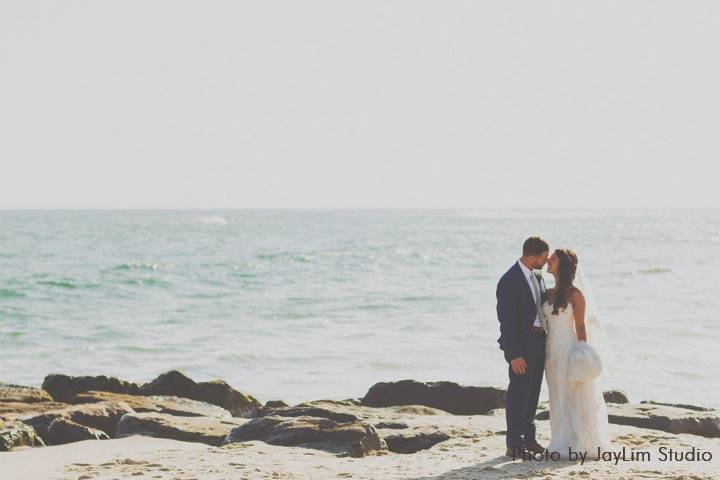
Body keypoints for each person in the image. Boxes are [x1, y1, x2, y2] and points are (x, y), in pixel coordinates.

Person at [496, 236, 549, 457]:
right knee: (518, 393)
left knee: (534, 392)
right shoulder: (509, 281)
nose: (545, 263)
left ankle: (529, 438)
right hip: (522, 346)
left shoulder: (537, 276)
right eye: (543, 258)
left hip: (539, 341)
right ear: (530, 257)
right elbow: (506, 322)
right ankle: (513, 444)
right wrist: (514, 354)